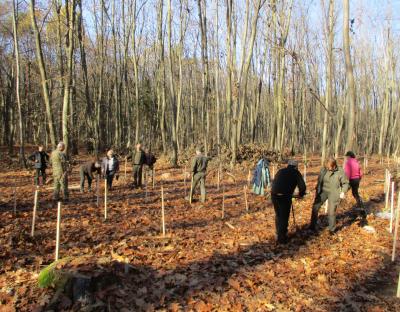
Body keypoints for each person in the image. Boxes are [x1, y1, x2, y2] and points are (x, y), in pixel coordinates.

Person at [309, 157, 349, 235]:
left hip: (334, 193)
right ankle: (312, 226)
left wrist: (343, 192)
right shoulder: (323, 169)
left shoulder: (340, 171)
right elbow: (319, 180)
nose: (328, 168)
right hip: (323, 191)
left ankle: (332, 229)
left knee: (331, 211)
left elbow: (346, 183)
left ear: (334, 166)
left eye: (329, 167)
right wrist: (318, 189)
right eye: (326, 167)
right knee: (315, 207)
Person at [271, 160, 306, 244]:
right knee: (284, 216)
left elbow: (275, 182)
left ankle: (279, 233)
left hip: (274, 194)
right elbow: (302, 186)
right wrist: (301, 194)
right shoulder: (296, 172)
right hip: (284, 196)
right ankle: (281, 239)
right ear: (296, 166)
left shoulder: (281, 171)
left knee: (278, 214)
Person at [344, 151, 367, 224]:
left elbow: (347, 172)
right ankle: (360, 204)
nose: (346, 157)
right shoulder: (356, 162)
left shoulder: (348, 162)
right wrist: (359, 178)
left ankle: (340, 203)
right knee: (355, 193)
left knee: (343, 191)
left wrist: (346, 180)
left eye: (347, 156)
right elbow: (361, 172)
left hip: (351, 179)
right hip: (357, 179)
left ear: (349, 156)